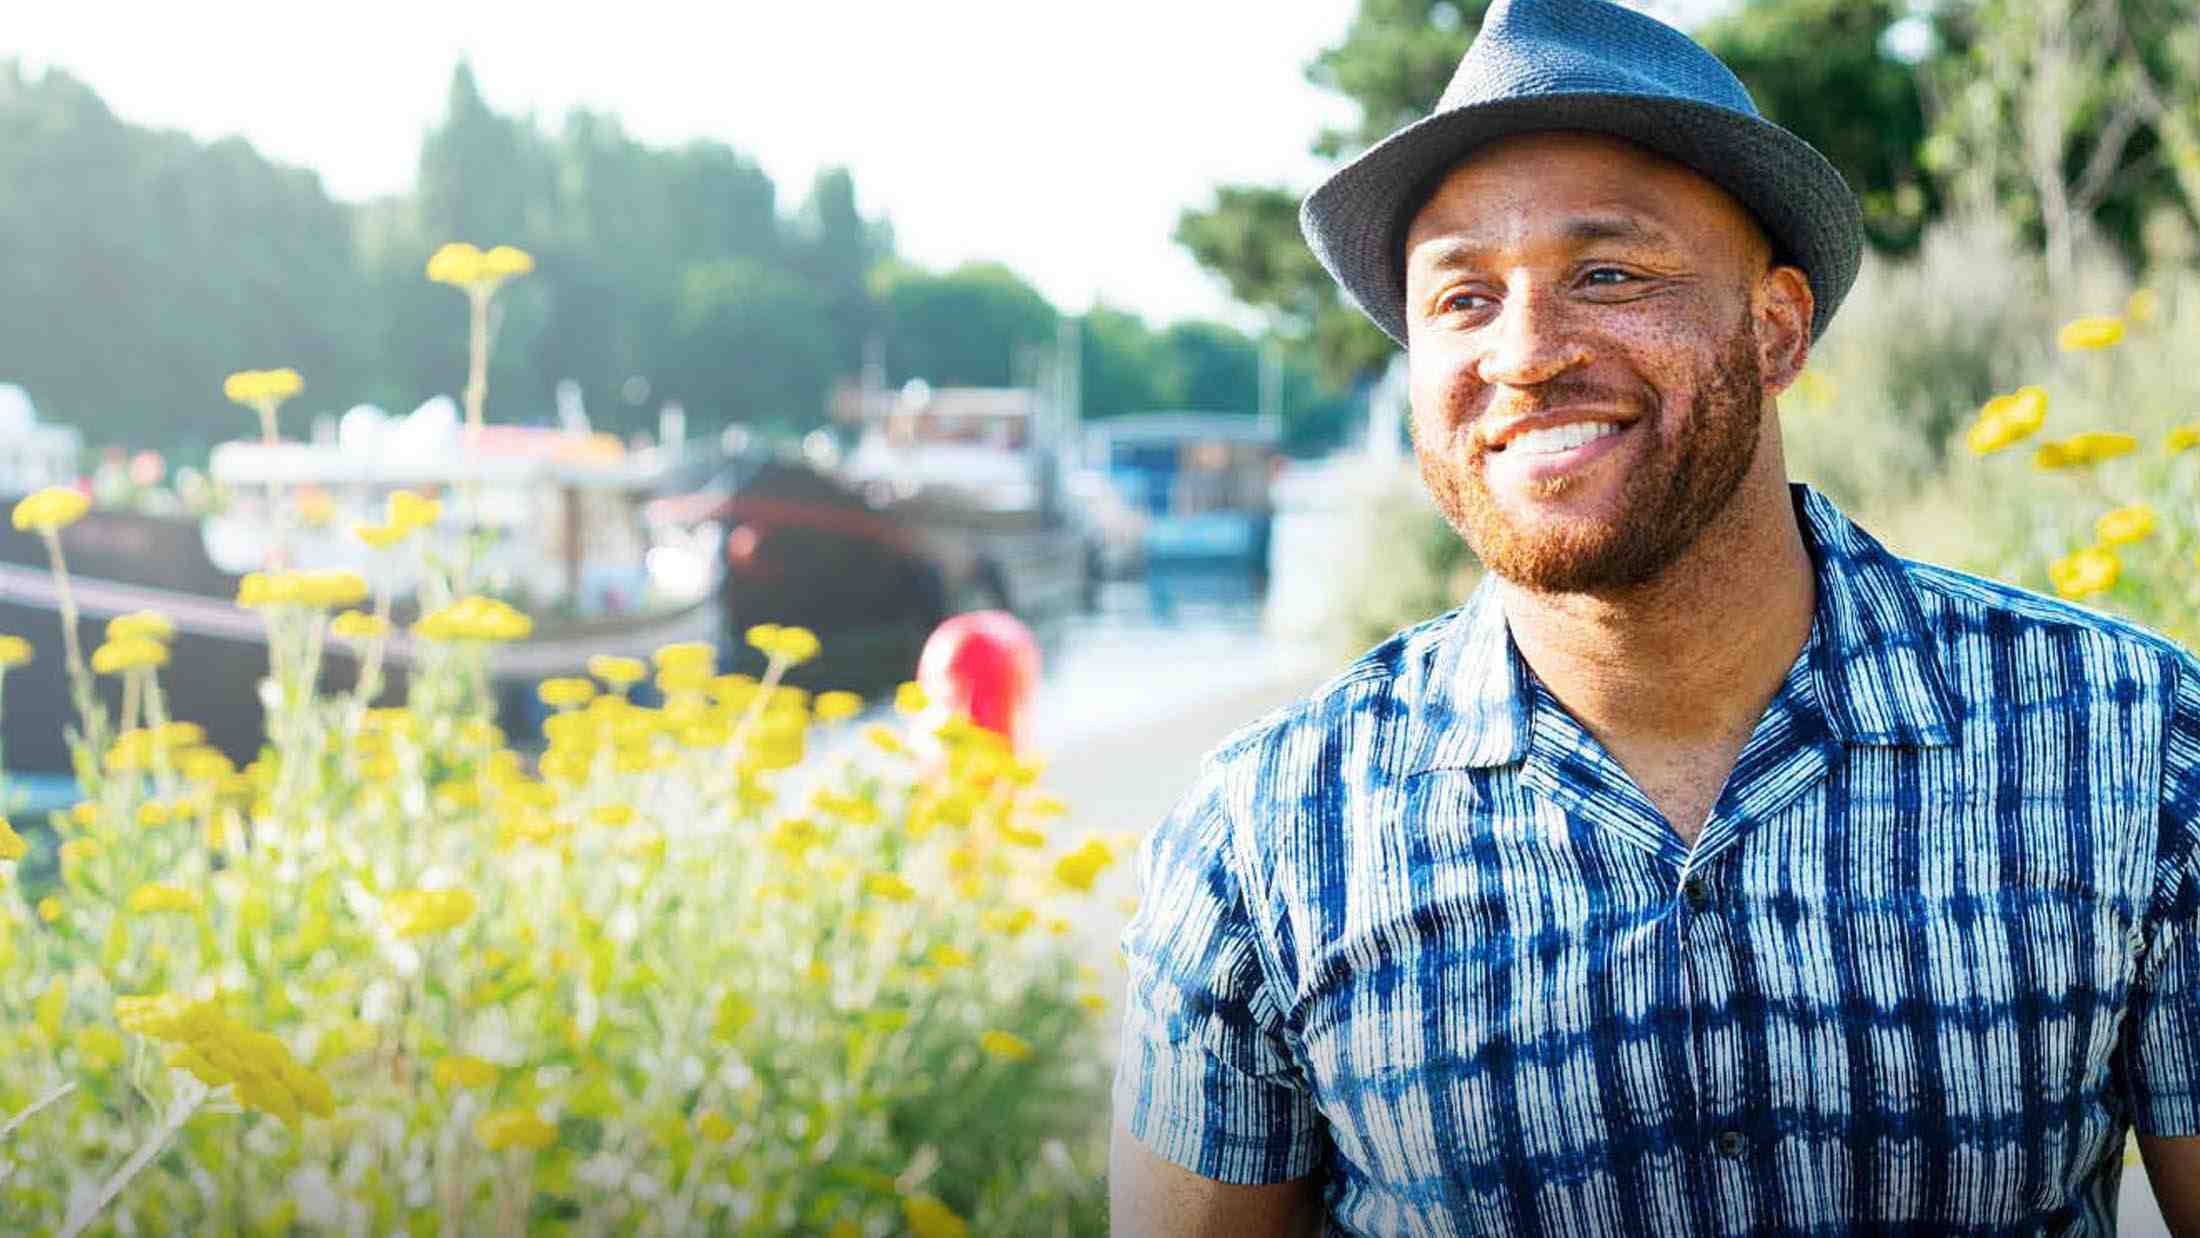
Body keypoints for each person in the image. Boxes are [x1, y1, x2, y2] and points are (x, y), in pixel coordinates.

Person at [1108, 1, 2200, 1234]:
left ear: (1776, 327)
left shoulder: (2133, 743)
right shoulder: (1264, 840)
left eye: (1607, 273)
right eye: (1461, 298)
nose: (1524, 355)